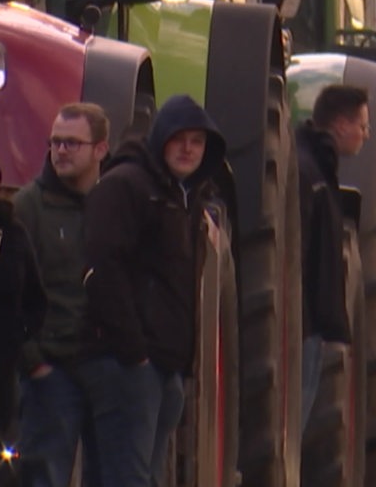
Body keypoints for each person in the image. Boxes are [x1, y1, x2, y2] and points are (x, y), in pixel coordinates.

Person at [78, 95, 226, 487]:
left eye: (197, 141)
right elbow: (103, 268)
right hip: (126, 366)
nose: (188, 148)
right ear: (160, 139)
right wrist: (134, 354)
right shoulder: (126, 186)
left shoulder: (183, 199)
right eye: (179, 139)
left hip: (162, 367)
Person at [13, 103, 109, 487]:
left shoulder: (114, 203)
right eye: (56, 142)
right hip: (50, 374)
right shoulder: (28, 207)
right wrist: (33, 362)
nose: (61, 151)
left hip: (105, 368)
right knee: (44, 475)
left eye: (72, 143)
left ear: (100, 149)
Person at [295, 85, 365, 431]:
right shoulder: (311, 174)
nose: (366, 135)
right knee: (297, 420)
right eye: (362, 126)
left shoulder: (318, 169)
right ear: (340, 125)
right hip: (305, 324)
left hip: (308, 320)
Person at [0, 154, 46, 474]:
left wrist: (19, 335)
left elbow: (36, 300)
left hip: (2, 369)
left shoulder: (13, 235)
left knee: (3, 456)